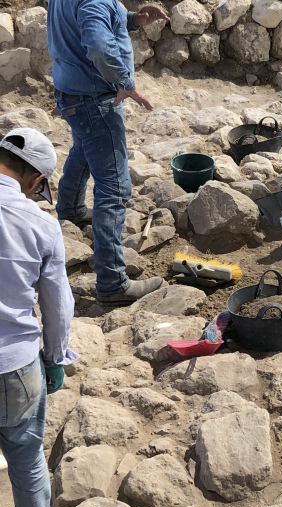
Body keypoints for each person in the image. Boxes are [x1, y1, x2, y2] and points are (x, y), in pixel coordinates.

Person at [47, 0, 169, 306]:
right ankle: (112, 281)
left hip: (72, 90)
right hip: (94, 99)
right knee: (114, 187)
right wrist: (126, 83)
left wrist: (131, 19)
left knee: (84, 149)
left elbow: (87, 22)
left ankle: (71, 209)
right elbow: (99, 46)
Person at [0, 128, 79, 507]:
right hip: (15, 366)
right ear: (37, 181)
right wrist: (55, 358)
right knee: (28, 462)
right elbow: (57, 306)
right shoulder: (41, 225)